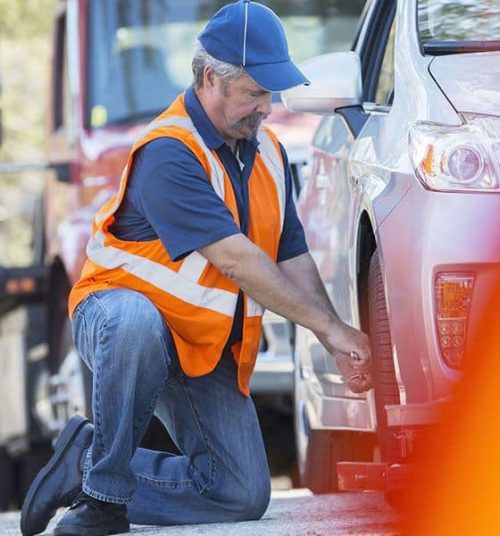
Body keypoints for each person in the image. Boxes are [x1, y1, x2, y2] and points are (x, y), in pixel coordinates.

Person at [21, 1, 372, 535]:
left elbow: (290, 254)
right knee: (136, 322)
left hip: (201, 345)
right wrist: (328, 326)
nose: (268, 107)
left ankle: (85, 459)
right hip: (118, 322)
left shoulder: (269, 152)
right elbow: (234, 258)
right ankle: (103, 499)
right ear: (211, 78)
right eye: (255, 93)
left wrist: (334, 338)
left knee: (239, 492)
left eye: (270, 93)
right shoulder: (169, 151)